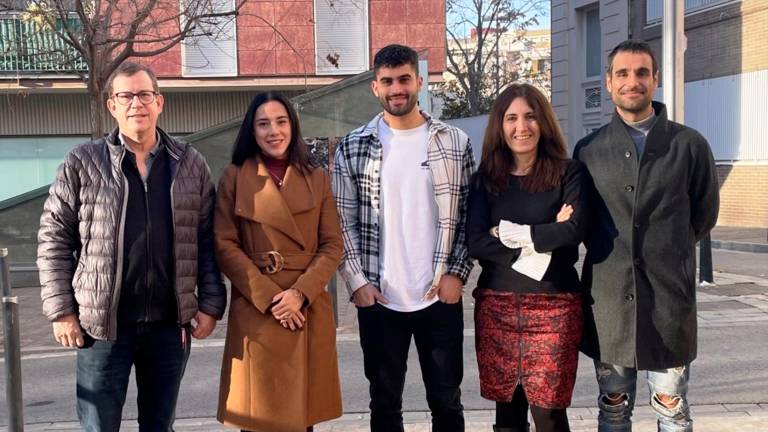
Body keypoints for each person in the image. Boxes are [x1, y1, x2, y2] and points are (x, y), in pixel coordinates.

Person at [37, 62, 226, 431]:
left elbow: (207, 238)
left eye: (144, 94)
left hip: (169, 327)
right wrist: (61, 310)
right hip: (101, 328)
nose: (135, 103)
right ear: (112, 106)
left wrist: (211, 303)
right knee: (98, 426)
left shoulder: (189, 163)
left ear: (159, 102)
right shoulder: (82, 162)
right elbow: (54, 237)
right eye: (125, 95)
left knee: (160, 425)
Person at [574, 40, 720, 432]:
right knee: (613, 410)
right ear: (608, 82)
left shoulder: (689, 145)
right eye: (622, 73)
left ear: (655, 78)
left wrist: (665, 250)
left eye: (641, 72)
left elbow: (704, 216)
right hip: (608, 307)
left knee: (673, 411)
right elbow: (583, 223)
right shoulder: (588, 150)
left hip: (668, 305)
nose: (632, 81)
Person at [332, 44, 475, 432]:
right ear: (375, 88)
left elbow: (467, 216)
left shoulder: (454, 142)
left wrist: (456, 274)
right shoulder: (353, 146)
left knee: (447, 401)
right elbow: (340, 222)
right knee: (383, 402)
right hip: (379, 298)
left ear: (419, 82)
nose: (397, 88)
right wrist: (357, 283)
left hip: (437, 295)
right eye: (388, 81)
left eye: (404, 79)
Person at [215, 91, 344, 432]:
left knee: (302, 420)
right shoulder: (234, 177)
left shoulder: (317, 178)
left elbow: (332, 246)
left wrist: (299, 295)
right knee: (257, 419)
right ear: (252, 131)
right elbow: (224, 245)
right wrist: (272, 299)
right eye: (263, 124)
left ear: (293, 126)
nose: (274, 131)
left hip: (307, 308)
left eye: (281, 121)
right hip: (258, 308)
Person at [466, 83, 588, 432]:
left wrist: (504, 233)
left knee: (549, 412)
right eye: (512, 118)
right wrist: (547, 231)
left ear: (543, 122)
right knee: (508, 413)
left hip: (555, 306)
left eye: (531, 117)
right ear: (500, 126)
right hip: (497, 307)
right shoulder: (485, 180)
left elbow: (575, 231)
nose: (522, 127)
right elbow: (476, 243)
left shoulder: (569, 172)